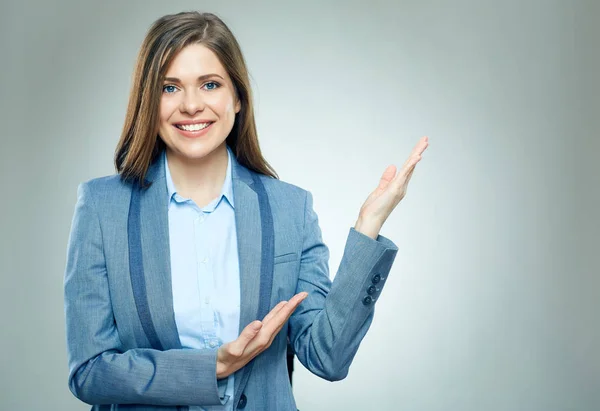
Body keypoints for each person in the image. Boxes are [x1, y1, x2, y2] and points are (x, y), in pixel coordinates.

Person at [63, 11, 428, 411]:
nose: (190, 105)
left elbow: (328, 357)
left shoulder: (290, 209)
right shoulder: (103, 208)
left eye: (210, 84)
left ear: (237, 98)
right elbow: (90, 371)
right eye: (170, 87)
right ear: (149, 99)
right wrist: (211, 367)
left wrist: (368, 227)